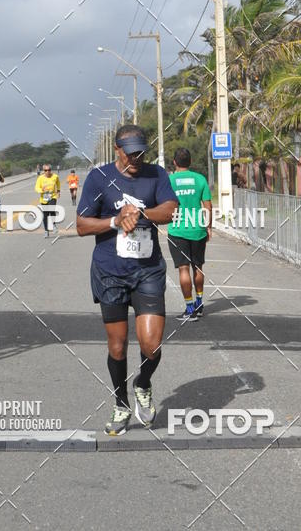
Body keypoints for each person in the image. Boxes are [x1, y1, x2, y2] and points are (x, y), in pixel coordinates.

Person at [76, 124, 178, 437]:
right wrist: (115, 220)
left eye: (140, 151)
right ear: (117, 150)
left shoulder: (156, 174)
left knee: (151, 344)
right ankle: (121, 404)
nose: (136, 157)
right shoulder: (98, 177)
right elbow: (81, 224)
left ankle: (142, 383)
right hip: (110, 271)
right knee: (117, 346)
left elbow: (170, 208)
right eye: (130, 152)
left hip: (147, 269)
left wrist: (141, 215)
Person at [168, 148, 212, 321]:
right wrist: (208, 227)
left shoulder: (170, 180)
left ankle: (189, 308)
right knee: (198, 267)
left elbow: (165, 205)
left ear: (174, 162)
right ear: (190, 161)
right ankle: (199, 304)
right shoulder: (200, 179)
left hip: (177, 229)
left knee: (183, 268)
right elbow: (208, 207)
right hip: (198, 229)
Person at [35, 164, 60, 238]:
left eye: (49, 170)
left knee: (51, 209)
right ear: (43, 171)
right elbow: (36, 187)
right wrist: (41, 190)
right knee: (45, 214)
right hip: (44, 197)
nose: (47, 172)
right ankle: (46, 231)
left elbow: (58, 183)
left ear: (51, 170)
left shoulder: (55, 176)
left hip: (53, 196)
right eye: (45, 170)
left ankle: (54, 225)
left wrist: (58, 191)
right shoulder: (40, 178)